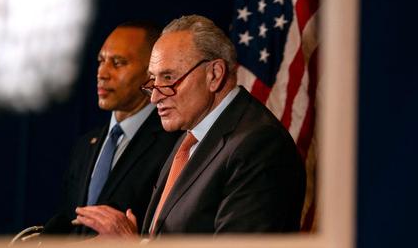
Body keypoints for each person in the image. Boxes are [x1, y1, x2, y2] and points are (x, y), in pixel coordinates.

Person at [75, 14, 306, 238]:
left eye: (168, 78)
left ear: (214, 74)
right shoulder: (190, 136)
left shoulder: (259, 146)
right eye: (153, 80)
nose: (154, 97)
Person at [44, 22, 181, 235]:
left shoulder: (173, 144)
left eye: (118, 63)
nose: (102, 73)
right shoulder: (85, 146)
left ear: (151, 73)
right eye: (101, 61)